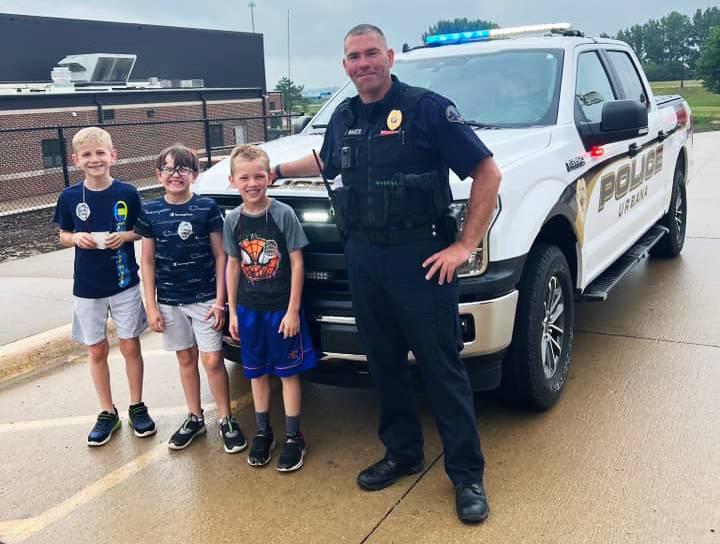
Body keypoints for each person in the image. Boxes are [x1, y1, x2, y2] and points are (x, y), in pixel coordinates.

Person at [270, 24, 502, 522]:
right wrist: (275, 172)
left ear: (389, 56)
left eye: (371, 53)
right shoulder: (344, 116)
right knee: (384, 362)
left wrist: (465, 245)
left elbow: (487, 171)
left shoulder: (428, 109)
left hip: (421, 258)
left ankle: (467, 476)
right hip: (364, 259)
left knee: (441, 368)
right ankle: (403, 452)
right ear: (345, 66)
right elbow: (326, 161)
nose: (363, 62)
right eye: (354, 56)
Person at [135, 144, 246, 454]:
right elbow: (148, 261)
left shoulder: (207, 208)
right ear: (159, 174)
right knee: (186, 359)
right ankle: (195, 417)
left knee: (212, 360)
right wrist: (152, 304)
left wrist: (220, 300)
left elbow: (221, 254)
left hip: (205, 298)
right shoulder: (150, 211)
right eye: (169, 169)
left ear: (194, 175)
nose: (176, 174)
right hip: (170, 300)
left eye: (183, 169)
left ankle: (225, 418)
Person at [54, 126, 156, 446]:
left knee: (130, 345)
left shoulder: (127, 192)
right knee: (96, 348)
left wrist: (124, 237)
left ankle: (137, 406)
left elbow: (140, 231)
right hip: (87, 286)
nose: (94, 159)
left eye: (100, 153)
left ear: (113, 155)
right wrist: (75, 239)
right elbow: (62, 235)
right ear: (76, 160)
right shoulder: (69, 197)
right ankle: (106, 411)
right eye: (87, 154)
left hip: (124, 282)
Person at [224, 144, 317, 472]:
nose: (253, 183)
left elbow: (296, 261)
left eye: (259, 176)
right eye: (245, 177)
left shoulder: (282, 214)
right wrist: (232, 311)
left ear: (269, 178)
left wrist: (293, 310)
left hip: (280, 310)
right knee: (256, 373)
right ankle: (263, 432)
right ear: (233, 180)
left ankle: (294, 436)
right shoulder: (233, 220)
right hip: (250, 312)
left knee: (288, 374)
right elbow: (233, 265)